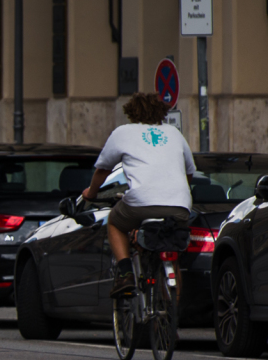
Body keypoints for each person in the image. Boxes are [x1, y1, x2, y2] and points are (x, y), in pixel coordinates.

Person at [83, 92, 195, 297]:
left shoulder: (123, 132)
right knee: (172, 255)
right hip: (179, 205)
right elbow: (189, 172)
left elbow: (102, 170)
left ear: (131, 113)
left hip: (141, 202)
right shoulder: (174, 133)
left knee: (115, 223)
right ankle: (171, 319)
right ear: (161, 112)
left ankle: (125, 273)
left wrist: (91, 193)